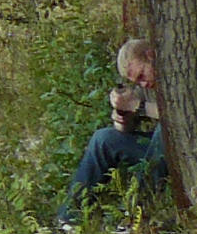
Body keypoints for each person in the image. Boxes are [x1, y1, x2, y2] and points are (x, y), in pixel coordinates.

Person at [60, 84, 165, 223]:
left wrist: (138, 106)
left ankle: (137, 213)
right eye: (135, 80)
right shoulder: (143, 87)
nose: (143, 83)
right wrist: (122, 117)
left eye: (141, 75)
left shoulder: (172, 76)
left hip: (180, 146)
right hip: (152, 146)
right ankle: (70, 217)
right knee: (103, 138)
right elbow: (126, 129)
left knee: (163, 131)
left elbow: (175, 115)